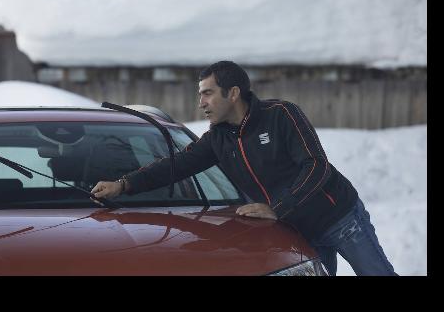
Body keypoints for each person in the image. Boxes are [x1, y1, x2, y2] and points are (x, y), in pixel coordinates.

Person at [91, 60, 397, 276]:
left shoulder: (281, 115)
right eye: (200, 94)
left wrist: (277, 207)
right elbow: (176, 166)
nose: (201, 102)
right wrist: (124, 185)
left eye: (207, 92)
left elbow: (316, 166)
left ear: (233, 93)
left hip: (339, 219)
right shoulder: (218, 139)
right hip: (299, 231)